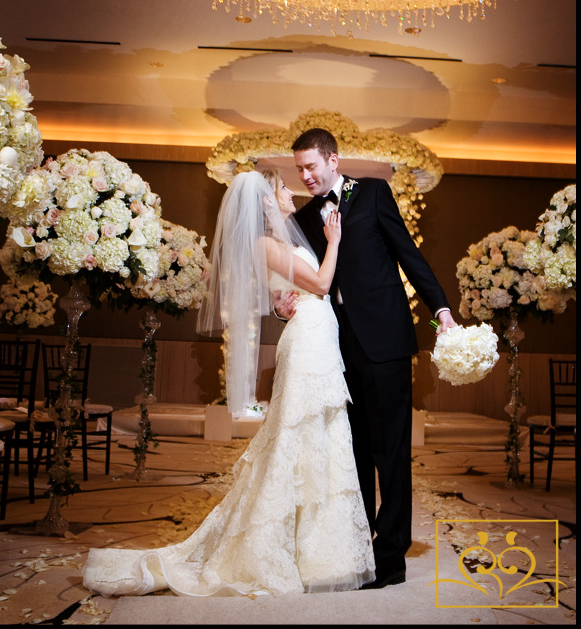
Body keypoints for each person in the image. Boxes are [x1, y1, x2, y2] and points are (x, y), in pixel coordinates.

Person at [82, 169, 375, 598]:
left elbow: (293, 290)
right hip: (309, 341)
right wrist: (334, 243)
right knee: (300, 436)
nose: (290, 192)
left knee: (322, 435)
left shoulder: (284, 240)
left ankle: (320, 550)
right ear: (267, 202)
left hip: (318, 334)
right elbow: (322, 283)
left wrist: (280, 301)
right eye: (281, 189)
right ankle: (282, 548)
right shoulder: (264, 242)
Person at [275, 128, 456, 590]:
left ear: (334, 160)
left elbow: (408, 255)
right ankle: (359, 548)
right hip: (338, 349)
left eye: (311, 166)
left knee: (391, 451)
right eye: (299, 169)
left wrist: (441, 313)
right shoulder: (307, 215)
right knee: (353, 453)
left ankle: (391, 557)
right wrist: (284, 306)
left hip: (387, 341)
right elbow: (312, 280)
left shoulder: (373, 192)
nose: (305, 175)